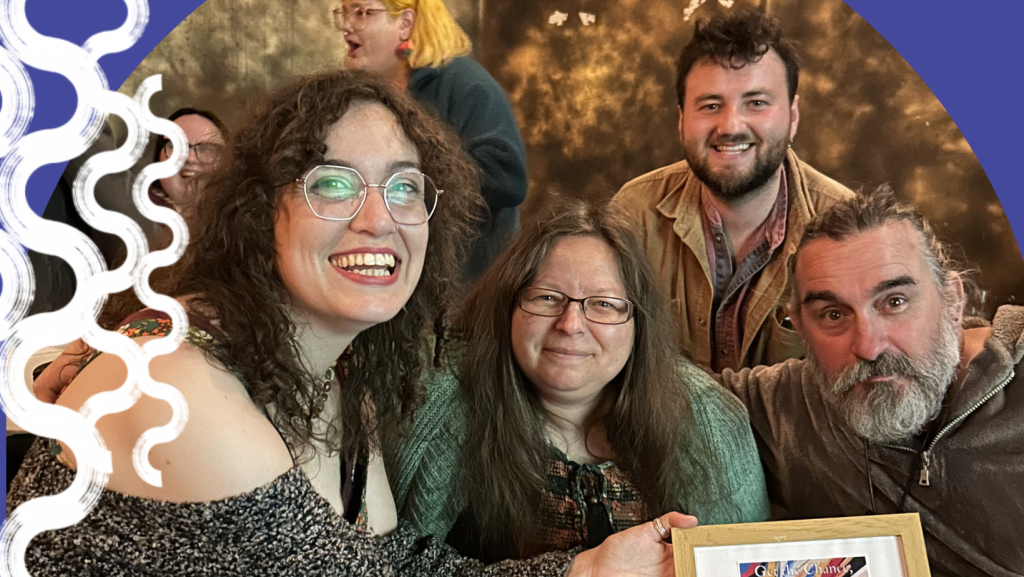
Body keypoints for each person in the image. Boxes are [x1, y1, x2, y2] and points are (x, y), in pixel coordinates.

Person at [8, 69, 695, 576]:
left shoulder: (335, 375)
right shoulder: (178, 389)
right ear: (258, 211)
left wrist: (586, 568)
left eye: (404, 187)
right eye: (333, 183)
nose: (379, 219)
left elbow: (388, 564)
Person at [389, 198, 770, 562]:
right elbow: (391, 562)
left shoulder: (709, 417)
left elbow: (749, 564)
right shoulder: (431, 398)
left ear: (639, 325)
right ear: (507, 308)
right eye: (546, 298)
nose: (570, 325)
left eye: (603, 304)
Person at [718, 188, 1024, 577]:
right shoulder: (786, 405)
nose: (868, 347)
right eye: (833, 314)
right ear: (801, 329)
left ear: (953, 300)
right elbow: (663, 391)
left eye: (894, 302)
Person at [610, 8, 854, 373]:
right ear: (682, 120)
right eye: (710, 106)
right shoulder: (633, 213)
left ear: (793, 116)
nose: (730, 126)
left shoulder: (848, 229)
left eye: (756, 103)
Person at [335, 0, 527, 279]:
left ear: (406, 23)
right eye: (344, 13)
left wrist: (413, 171)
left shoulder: (466, 84)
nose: (346, 25)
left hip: (466, 289)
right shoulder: (371, 91)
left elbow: (506, 178)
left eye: (362, 12)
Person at [148, 107, 227, 226]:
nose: (190, 158)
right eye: (176, 146)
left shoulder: (246, 221)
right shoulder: (130, 213)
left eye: (207, 149)